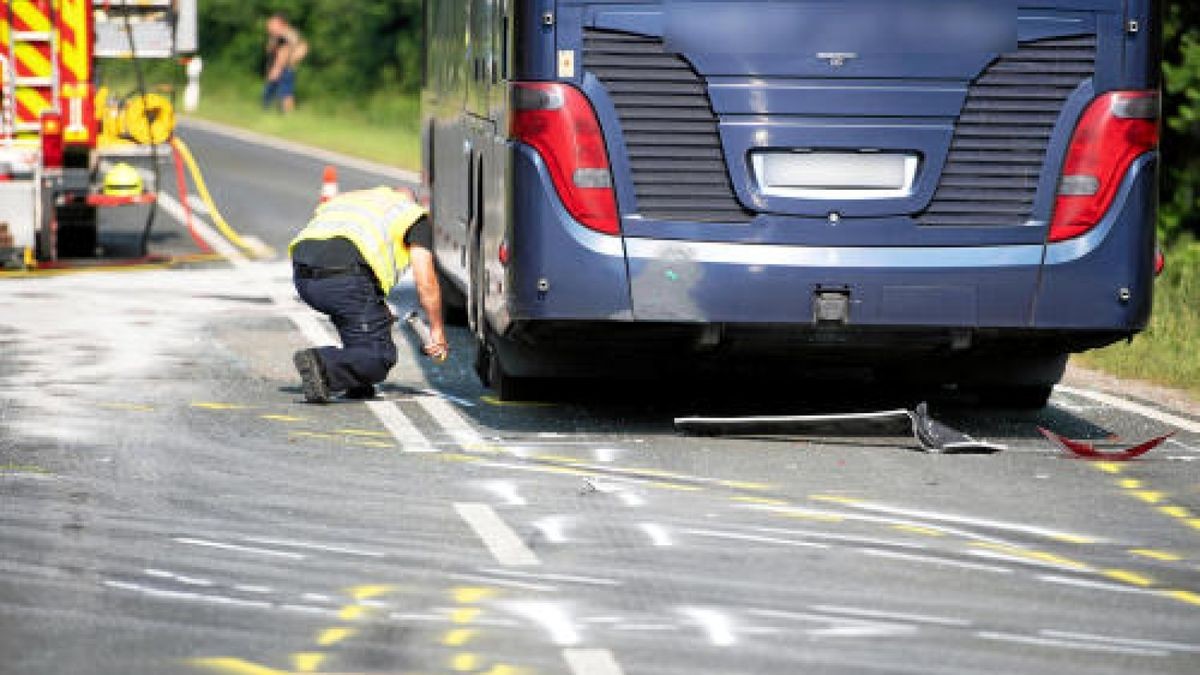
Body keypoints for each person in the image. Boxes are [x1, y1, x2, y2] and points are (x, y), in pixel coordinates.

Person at [290, 187, 449, 403]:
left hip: (303, 278)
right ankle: (323, 365)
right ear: (415, 201)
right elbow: (426, 281)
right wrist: (437, 330)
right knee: (379, 357)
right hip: (344, 280)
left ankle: (357, 382)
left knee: (369, 319)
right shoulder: (412, 215)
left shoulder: (350, 200)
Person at [262, 13, 304, 113]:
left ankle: (288, 116)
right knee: (279, 93)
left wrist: (277, 68)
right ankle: (275, 114)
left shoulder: (285, 35)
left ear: (280, 24)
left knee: (284, 94)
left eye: (272, 24)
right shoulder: (279, 35)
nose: (268, 26)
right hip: (282, 68)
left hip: (283, 68)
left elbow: (284, 52)